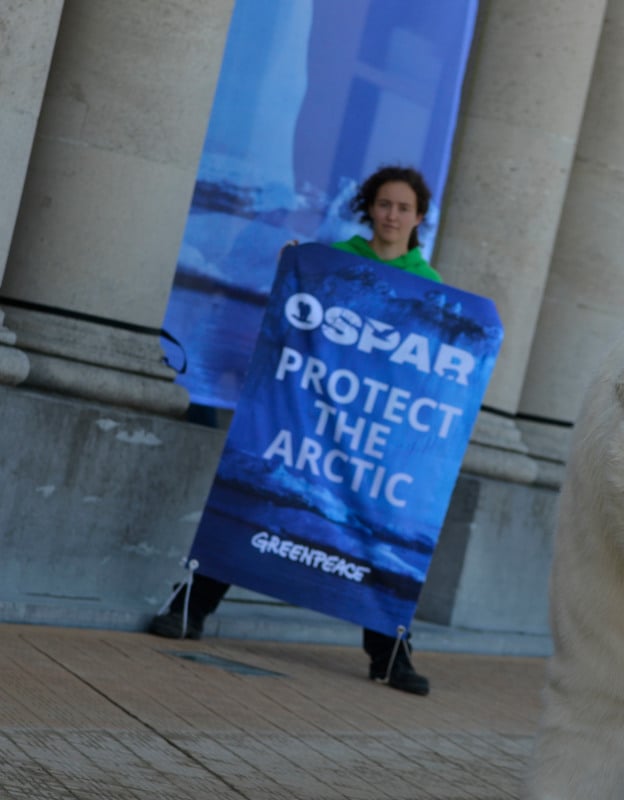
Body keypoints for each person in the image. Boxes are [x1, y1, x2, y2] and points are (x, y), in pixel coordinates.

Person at [149, 164, 441, 697]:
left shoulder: (432, 291)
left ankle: (391, 655)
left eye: (403, 207)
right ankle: (189, 605)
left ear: (419, 217)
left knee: (373, 539)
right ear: (369, 210)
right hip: (309, 420)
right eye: (384, 204)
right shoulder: (332, 265)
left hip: (370, 436)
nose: (392, 215)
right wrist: (294, 271)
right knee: (257, 505)